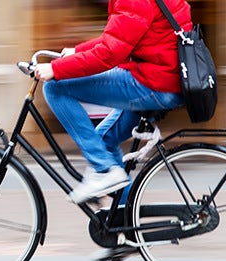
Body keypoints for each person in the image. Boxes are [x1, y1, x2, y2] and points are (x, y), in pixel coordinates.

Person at [34, 0, 192, 204]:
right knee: (103, 142)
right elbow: (121, 37)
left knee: (55, 87)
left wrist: (56, 69)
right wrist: (78, 51)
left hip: (153, 83)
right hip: (165, 79)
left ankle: (104, 169)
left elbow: (110, 53)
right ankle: (126, 220)